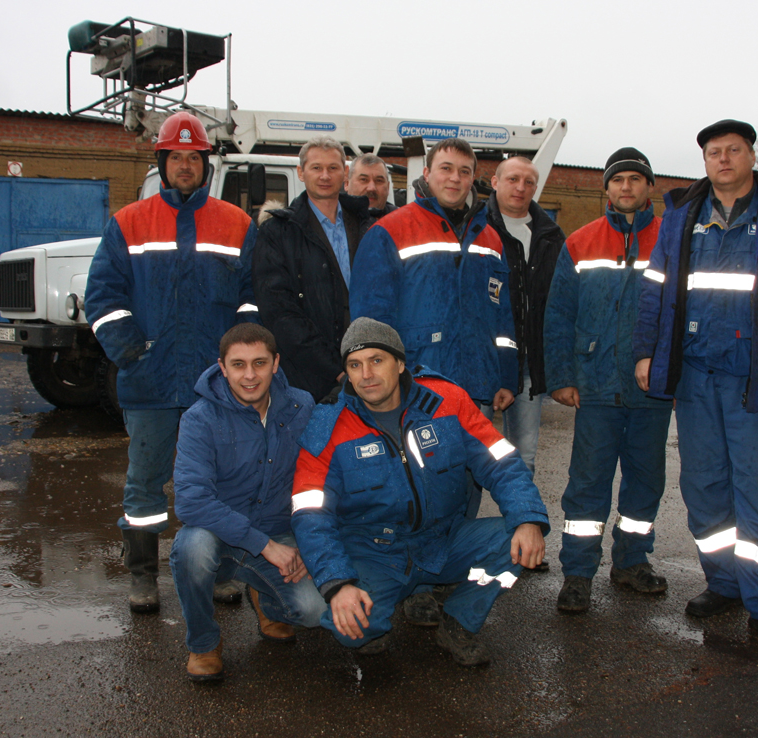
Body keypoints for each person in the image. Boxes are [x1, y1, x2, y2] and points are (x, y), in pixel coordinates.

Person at [633, 120, 758, 650]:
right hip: (696, 376)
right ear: (705, 162)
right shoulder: (680, 217)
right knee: (704, 486)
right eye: (714, 153)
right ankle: (724, 584)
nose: (723, 160)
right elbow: (655, 290)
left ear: (751, 157)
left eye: (734, 151)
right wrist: (647, 353)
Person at [290, 318, 549, 667]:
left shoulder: (447, 400)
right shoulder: (328, 427)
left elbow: (500, 461)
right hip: (375, 551)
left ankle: (458, 621)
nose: (366, 374)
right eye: (355, 365)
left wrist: (528, 517)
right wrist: (338, 584)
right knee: (352, 631)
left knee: (514, 540)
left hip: (443, 540)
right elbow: (310, 514)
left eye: (376, 360)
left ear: (399, 363)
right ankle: (388, 602)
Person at [85, 111, 258, 614]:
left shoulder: (236, 223)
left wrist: (240, 362)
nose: (185, 166)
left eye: (194, 158)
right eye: (176, 157)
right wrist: (132, 351)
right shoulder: (129, 222)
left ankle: (221, 571)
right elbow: (102, 298)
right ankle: (143, 576)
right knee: (145, 481)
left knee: (223, 481)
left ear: (206, 163)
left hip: (217, 385)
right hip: (151, 383)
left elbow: (251, 301)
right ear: (162, 162)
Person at [545, 148, 672, 612]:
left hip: (651, 388)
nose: (626, 187)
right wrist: (561, 376)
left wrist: (672, 373)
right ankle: (578, 574)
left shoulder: (670, 241)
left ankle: (632, 562)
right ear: (606, 188)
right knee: (588, 482)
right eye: (618, 180)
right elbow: (559, 313)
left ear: (649, 187)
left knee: (645, 480)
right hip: (595, 384)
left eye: (636, 179)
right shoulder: (580, 242)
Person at [169, 323, 326, 681]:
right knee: (190, 550)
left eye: (259, 363)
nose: (250, 375)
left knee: (314, 612)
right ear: (222, 368)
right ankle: (204, 643)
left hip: (279, 532)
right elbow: (191, 501)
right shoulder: (199, 419)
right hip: (218, 538)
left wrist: (307, 542)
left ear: (276, 363)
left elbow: (319, 478)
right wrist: (265, 546)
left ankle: (267, 601)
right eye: (238, 365)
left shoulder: (302, 406)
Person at [349, 138, 518, 418]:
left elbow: (503, 318)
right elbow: (371, 321)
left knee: (475, 462)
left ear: (473, 179)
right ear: (427, 174)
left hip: (477, 388)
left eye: (464, 171)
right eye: (446, 168)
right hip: (415, 388)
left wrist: (506, 378)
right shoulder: (389, 232)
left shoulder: (490, 239)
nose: (455, 178)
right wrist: (384, 383)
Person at [253, 135, 373, 403]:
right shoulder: (277, 232)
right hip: (306, 378)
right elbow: (279, 312)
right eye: (316, 168)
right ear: (300, 172)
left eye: (333, 168)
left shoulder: (369, 226)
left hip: (367, 368)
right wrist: (336, 369)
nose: (325, 175)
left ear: (345, 173)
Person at [487, 156, 566, 478]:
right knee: (468, 457)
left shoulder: (552, 237)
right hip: (483, 363)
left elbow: (560, 304)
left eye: (529, 182)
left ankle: (519, 526)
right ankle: (467, 529)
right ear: (495, 182)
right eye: (513, 179)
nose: (521, 188)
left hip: (528, 366)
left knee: (524, 459)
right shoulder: (477, 228)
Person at [346, 153, 396, 217]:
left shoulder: (402, 222)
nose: (371, 188)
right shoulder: (332, 220)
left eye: (379, 180)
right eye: (364, 179)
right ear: (347, 184)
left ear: (388, 187)